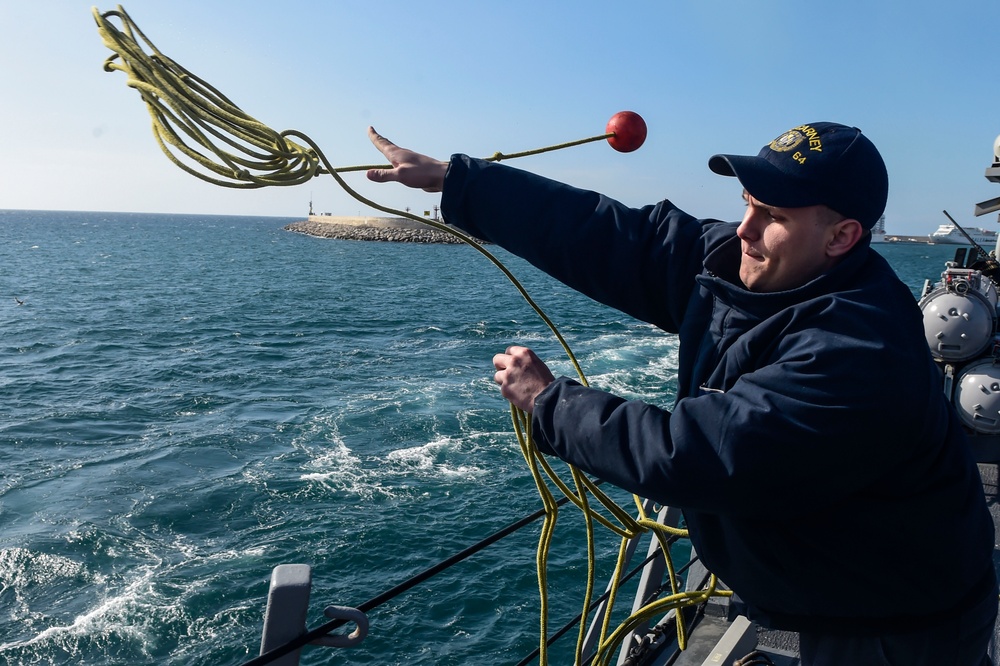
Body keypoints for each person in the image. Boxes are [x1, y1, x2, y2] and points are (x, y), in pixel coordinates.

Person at [366, 122, 998, 665]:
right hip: (829, 592)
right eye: (747, 201)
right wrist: (459, 180)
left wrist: (550, 403)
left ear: (841, 237)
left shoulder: (858, 349)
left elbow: (698, 454)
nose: (744, 229)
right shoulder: (751, 261)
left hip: (893, 630)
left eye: (772, 216)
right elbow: (614, 236)